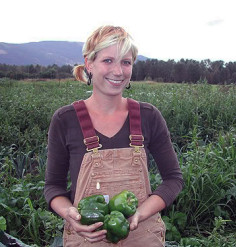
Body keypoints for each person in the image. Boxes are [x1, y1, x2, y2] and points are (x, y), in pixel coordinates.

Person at [44, 25, 183, 246]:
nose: (118, 71)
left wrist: (140, 214)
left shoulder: (148, 116)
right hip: (87, 238)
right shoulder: (65, 119)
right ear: (89, 64)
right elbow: (53, 187)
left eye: (126, 62)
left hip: (143, 236)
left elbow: (174, 179)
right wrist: (70, 214)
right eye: (108, 60)